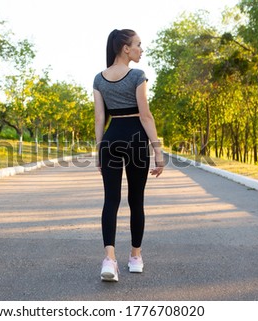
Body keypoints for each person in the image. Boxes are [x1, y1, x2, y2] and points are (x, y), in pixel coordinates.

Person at [93, 29, 164, 282]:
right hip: (136, 140)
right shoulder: (137, 76)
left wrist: (99, 150)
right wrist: (157, 149)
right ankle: (135, 257)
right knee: (136, 200)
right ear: (125, 48)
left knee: (110, 200)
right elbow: (145, 116)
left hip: (111, 141)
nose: (141, 49)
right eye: (138, 45)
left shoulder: (99, 78)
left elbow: (100, 118)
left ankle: (109, 260)